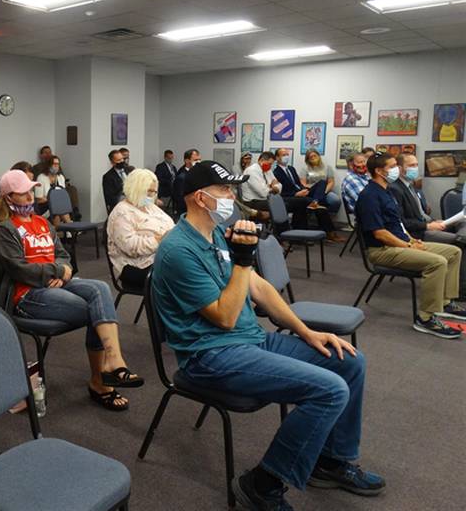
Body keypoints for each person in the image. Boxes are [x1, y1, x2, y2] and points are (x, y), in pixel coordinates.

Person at [153, 160, 385, 510]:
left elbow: (258, 288)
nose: (232, 196)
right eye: (225, 190)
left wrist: (307, 332)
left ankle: (330, 460)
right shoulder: (177, 250)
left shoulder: (215, 233)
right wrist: (244, 260)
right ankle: (262, 483)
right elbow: (226, 318)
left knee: (349, 362)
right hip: (210, 356)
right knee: (329, 390)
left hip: (251, 341)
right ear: (200, 198)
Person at [0, 170, 144, 412]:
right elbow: (19, 269)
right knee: (94, 310)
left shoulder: (42, 223)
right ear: (9, 198)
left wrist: (63, 270)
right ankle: (100, 381)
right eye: (22, 194)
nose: (30, 197)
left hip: (55, 283)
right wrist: (57, 271)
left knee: (100, 288)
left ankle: (113, 361)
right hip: (27, 295)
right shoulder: (5, 230)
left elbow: (64, 255)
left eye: (31, 191)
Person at [356, 153, 463, 338]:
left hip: (401, 244)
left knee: (453, 252)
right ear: (379, 171)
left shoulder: (386, 190)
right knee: (437, 262)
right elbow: (380, 233)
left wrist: (412, 241)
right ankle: (426, 318)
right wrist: (408, 247)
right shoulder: (369, 196)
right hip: (382, 251)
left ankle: (445, 302)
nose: (396, 169)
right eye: (391, 166)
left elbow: (397, 225)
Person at [390, 154, 466, 312]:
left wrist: (433, 222)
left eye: (416, 164)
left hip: (425, 225)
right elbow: (402, 222)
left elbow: (420, 214)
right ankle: (460, 291)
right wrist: (428, 226)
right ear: (400, 168)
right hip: (416, 233)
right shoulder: (395, 189)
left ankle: (449, 297)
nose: (415, 168)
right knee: (460, 241)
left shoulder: (410, 186)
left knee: (460, 235)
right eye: (411, 165)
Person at [107, 169, 174, 289]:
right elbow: (130, 246)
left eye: (154, 192)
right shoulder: (122, 212)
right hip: (135, 267)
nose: (152, 196)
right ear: (136, 189)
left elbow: (171, 227)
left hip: (159, 258)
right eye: (148, 192)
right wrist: (159, 240)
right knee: (184, 274)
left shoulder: (150, 207)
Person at [273, 148, 344, 242]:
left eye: (287, 154)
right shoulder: (276, 172)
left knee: (322, 182)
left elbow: (298, 184)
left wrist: (304, 189)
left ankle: (315, 202)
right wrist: (296, 193)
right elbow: (280, 191)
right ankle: (329, 232)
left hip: (302, 192)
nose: (286, 157)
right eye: (283, 155)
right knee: (319, 206)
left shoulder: (291, 169)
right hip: (291, 196)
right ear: (277, 158)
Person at [300, 149, 341, 214]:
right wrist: (312, 188)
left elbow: (331, 182)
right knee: (322, 182)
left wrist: (324, 191)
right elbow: (303, 184)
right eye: (311, 157)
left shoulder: (327, 168)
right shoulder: (305, 169)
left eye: (315, 156)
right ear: (308, 160)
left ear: (319, 156)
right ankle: (315, 203)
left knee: (335, 200)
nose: (313, 158)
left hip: (325, 191)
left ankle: (326, 214)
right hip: (311, 191)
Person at [34, 155, 71, 225]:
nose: (56, 166)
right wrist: (54, 200)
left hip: (58, 205)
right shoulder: (41, 177)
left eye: (58, 164)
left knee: (59, 207)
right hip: (44, 207)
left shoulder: (61, 177)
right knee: (57, 208)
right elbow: (39, 199)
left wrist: (54, 200)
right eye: (54, 164)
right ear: (48, 165)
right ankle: (69, 228)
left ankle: (67, 229)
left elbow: (63, 195)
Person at [173, 148, 200, 216]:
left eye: (199, 159)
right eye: (195, 160)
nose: (198, 162)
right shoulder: (182, 177)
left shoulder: (196, 172)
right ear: (187, 161)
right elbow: (180, 199)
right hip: (186, 211)